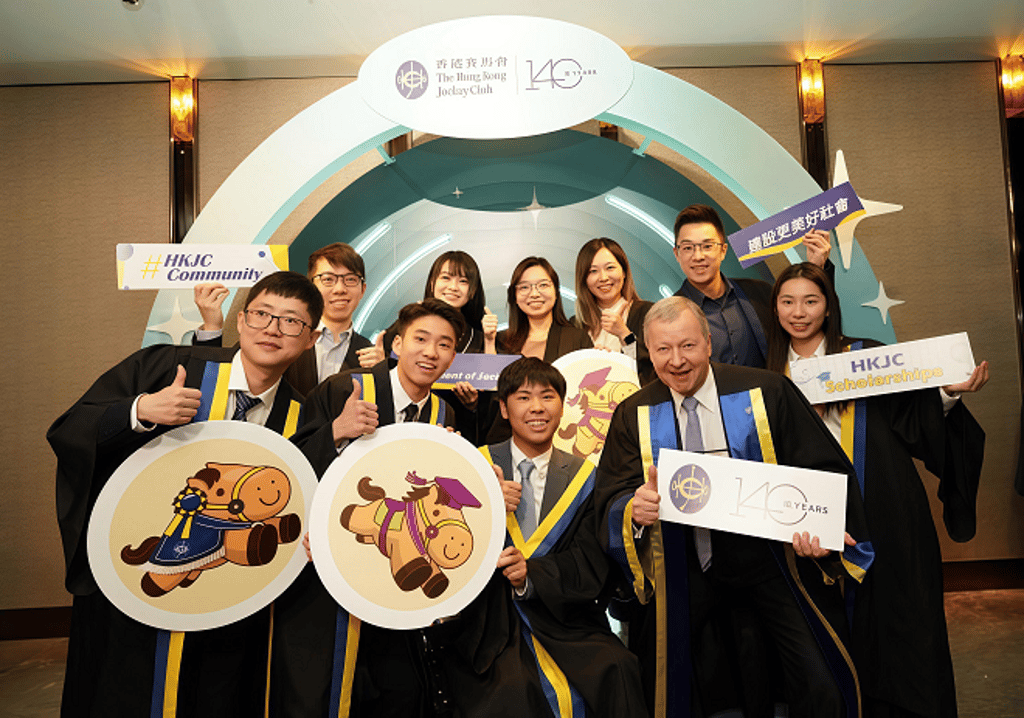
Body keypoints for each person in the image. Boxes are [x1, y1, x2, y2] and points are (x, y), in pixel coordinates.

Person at [48, 271, 324, 718]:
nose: (272, 329)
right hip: (138, 594)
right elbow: (71, 427)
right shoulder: (169, 367)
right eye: (262, 314)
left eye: (291, 322)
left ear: (310, 339)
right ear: (241, 320)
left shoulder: (302, 415)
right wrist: (138, 410)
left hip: (229, 602)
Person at [595, 296, 873, 718]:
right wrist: (633, 509)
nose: (676, 361)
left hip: (772, 561)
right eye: (662, 350)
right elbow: (612, 494)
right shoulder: (634, 413)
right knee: (671, 681)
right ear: (647, 353)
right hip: (682, 567)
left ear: (709, 343)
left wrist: (824, 532)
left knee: (817, 673)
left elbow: (822, 471)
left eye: (687, 346)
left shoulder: (765, 391)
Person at [767, 262, 989, 718]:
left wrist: (947, 393)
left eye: (811, 300)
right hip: (809, 521)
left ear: (829, 308)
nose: (799, 312)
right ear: (775, 309)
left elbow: (914, 417)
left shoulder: (866, 358)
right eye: (787, 301)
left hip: (886, 508)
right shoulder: (767, 375)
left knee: (900, 626)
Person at [273, 298, 464, 718]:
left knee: (394, 685)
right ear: (396, 343)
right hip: (329, 566)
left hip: (394, 573)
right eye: (420, 339)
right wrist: (337, 431)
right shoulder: (344, 389)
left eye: (445, 344)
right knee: (324, 684)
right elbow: (287, 466)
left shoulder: (442, 412)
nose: (431, 352)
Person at [443, 357, 647, 718]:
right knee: (511, 690)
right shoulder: (473, 467)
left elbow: (589, 560)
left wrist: (531, 577)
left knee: (618, 666)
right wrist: (481, 504)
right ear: (503, 408)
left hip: (565, 616)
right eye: (523, 398)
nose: (537, 407)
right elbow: (442, 544)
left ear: (562, 405)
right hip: (491, 624)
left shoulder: (586, 478)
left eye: (547, 396)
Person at [193, 242, 381, 395]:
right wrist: (212, 326)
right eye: (328, 279)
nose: (340, 289)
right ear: (311, 286)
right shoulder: (279, 331)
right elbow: (216, 377)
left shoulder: (372, 354)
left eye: (350, 280)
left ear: (363, 289)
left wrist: (385, 374)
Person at [672, 204, 832, 368]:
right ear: (677, 254)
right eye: (688, 248)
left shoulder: (759, 293)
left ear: (723, 250)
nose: (698, 256)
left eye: (707, 246)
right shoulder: (670, 315)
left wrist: (815, 268)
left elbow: (804, 322)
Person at [375, 250, 499, 442]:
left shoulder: (480, 338)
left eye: (463, 281)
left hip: (454, 431)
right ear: (432, 282)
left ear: (473, 290)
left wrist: (473, 404)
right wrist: (380, 364)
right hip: (396, 428)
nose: (453, 287)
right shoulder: (405, 326)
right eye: (446, 277)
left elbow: (491, 406)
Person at [488, 257, 592, 444]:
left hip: (565, 442)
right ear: (514, 296)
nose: (534, 294)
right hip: (506, 444)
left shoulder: (577, 339)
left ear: (556, 291)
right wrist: (488, 342)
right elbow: (491, 400)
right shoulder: (501, 341)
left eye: (543, 285)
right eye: (524, 287)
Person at [572, 237, 654, 385]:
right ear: (584, 279)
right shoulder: (575, 324)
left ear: (624, 272)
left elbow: (654, 370)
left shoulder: (649, 313)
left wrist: (624, 335)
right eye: (593, 271)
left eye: (610, 268)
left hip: (637, 404)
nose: (603, 278)